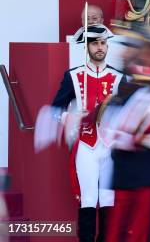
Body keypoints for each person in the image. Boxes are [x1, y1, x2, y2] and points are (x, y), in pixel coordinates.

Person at [48, 24, 124, 242]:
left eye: (103, 43)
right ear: (87, 47)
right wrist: (69, 117)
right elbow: (54, 110)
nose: (100, 48)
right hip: (86, 145)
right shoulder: (73, 76)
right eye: (95, 44)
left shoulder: (119, 77)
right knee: (88, 199)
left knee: (109, 199)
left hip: (111, 147)